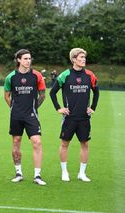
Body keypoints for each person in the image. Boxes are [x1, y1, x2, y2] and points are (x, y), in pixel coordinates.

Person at [50, 48, 99, 182]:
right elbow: (52, 92)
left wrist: (92, 108)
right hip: (69, 118)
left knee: (85, 144)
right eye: (81, 57)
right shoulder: (65, 75)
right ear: (73, 59)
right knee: (65, 144)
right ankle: (64, 172)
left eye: (84, 57)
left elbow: (96, 91)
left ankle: (82, 173)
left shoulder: (89, 75)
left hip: (84, 117)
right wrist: (59, 108)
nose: (84, 59)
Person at [4, 49, 46, 186]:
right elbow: (7, 96)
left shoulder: (37, 76)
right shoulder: (11, 77)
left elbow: (42, 95)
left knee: (37, 142)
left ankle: (37, 175)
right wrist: (14, 108)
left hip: (31, 115)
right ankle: (18, 173)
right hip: (16, 115)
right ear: (19, 60)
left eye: (30, 58)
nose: (28, 61)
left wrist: (33, 108)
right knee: (16, 142)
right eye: (26, 58)